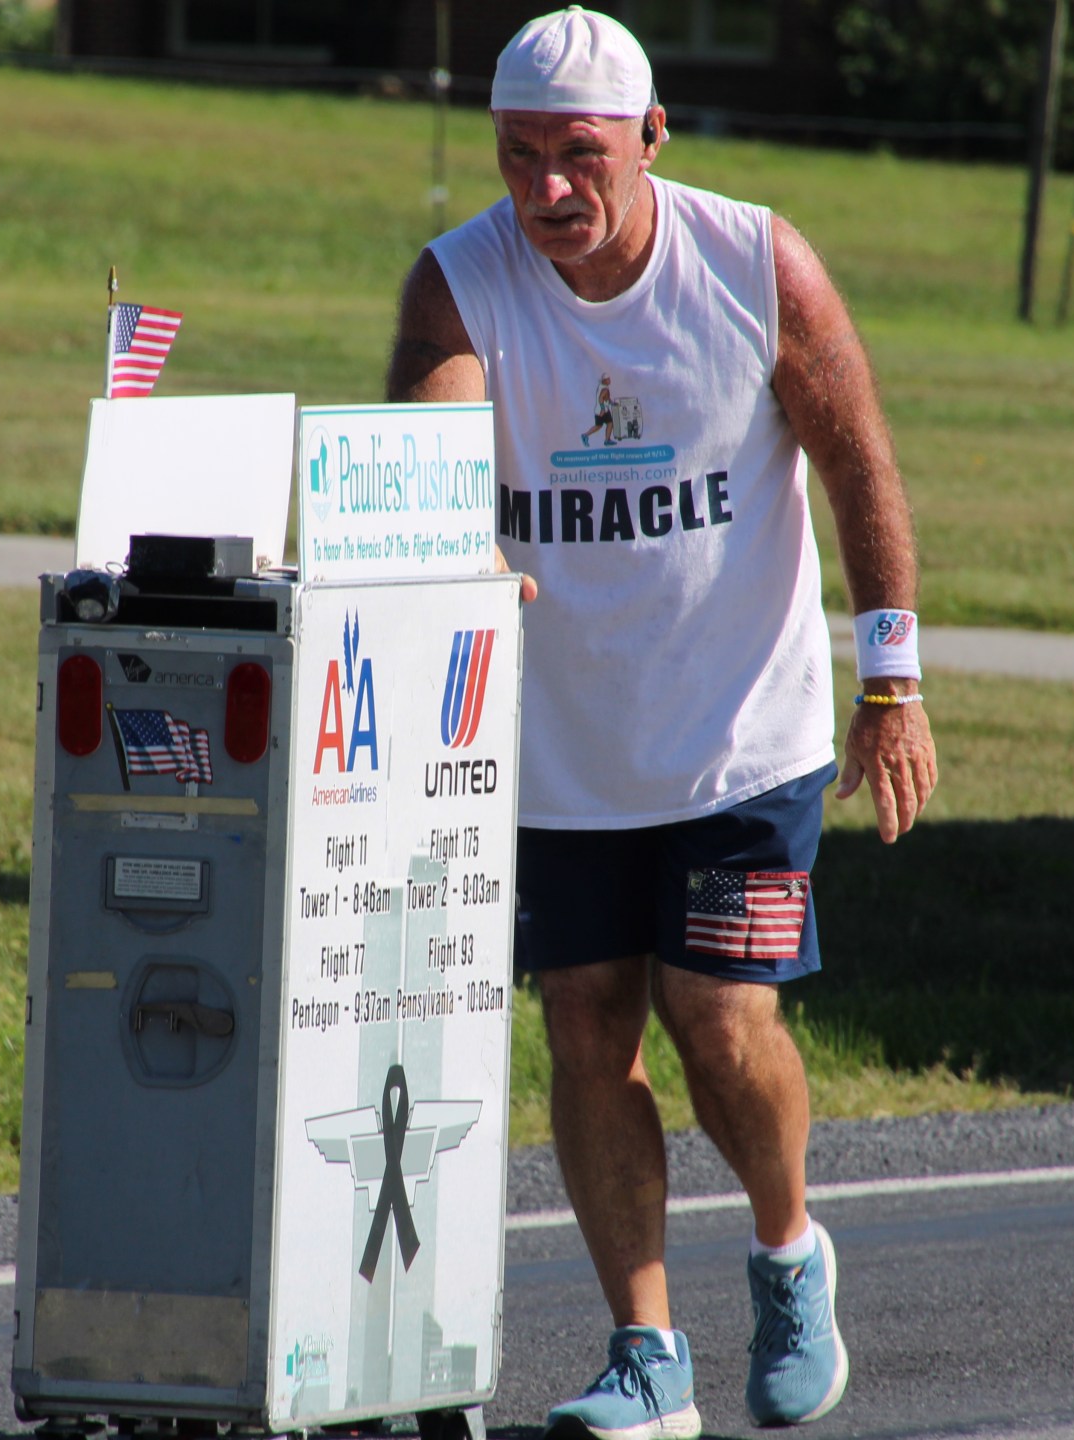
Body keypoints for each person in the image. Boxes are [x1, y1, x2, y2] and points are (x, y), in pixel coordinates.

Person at [384, 9, 937, 1437]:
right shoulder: (461, 282)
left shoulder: (753, 262)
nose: (548, 193)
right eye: (520, 159)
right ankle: (649, 1357)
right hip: (564, 752)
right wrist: (456, 519)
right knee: (585, 1028)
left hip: (741, 733)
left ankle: (786, 1250)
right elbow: (430, 421)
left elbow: (859, 458)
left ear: (651, 139)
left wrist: (893, 682)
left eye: (580, 157)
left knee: (718, 1018)